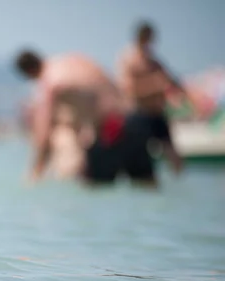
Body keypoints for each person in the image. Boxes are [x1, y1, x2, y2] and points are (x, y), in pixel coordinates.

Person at [15, 49, 126, 183]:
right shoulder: (73, 61)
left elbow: (43, 131)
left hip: (102, 133)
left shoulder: (49, 82)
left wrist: (36, 170)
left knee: (69, 172)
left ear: (29, 73)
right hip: (126, 122)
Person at [116, 21, 184, 182]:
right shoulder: (129, 59)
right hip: (138, 115)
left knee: (175, 159)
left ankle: (179, 188)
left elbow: (174, 83)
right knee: (142, 165)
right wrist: (156, 86)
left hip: (157, 114)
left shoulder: (154, 62)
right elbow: (128, 90)